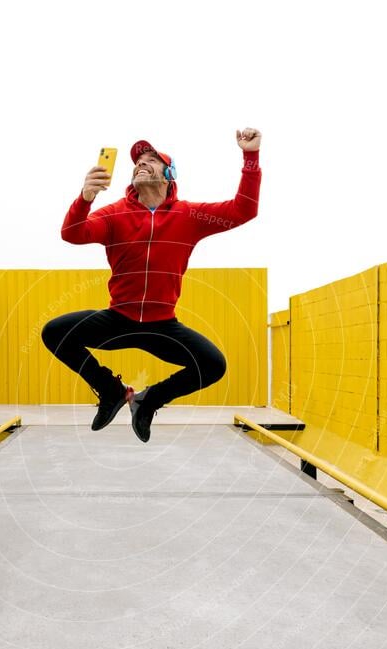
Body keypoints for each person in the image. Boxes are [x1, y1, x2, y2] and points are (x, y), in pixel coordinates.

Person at [41, 129, 262, 442]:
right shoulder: (115, 213)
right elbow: (72, 233)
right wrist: (86, 197)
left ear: (169, 174)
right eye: (138, 161)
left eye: (152, 160)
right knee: (54, 332)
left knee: (213, 365)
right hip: (118, 320)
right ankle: (111, 390)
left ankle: (148, 400)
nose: (141, 164)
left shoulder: (190, 215)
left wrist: (250, 156)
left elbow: (244, 210)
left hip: (163, 327)